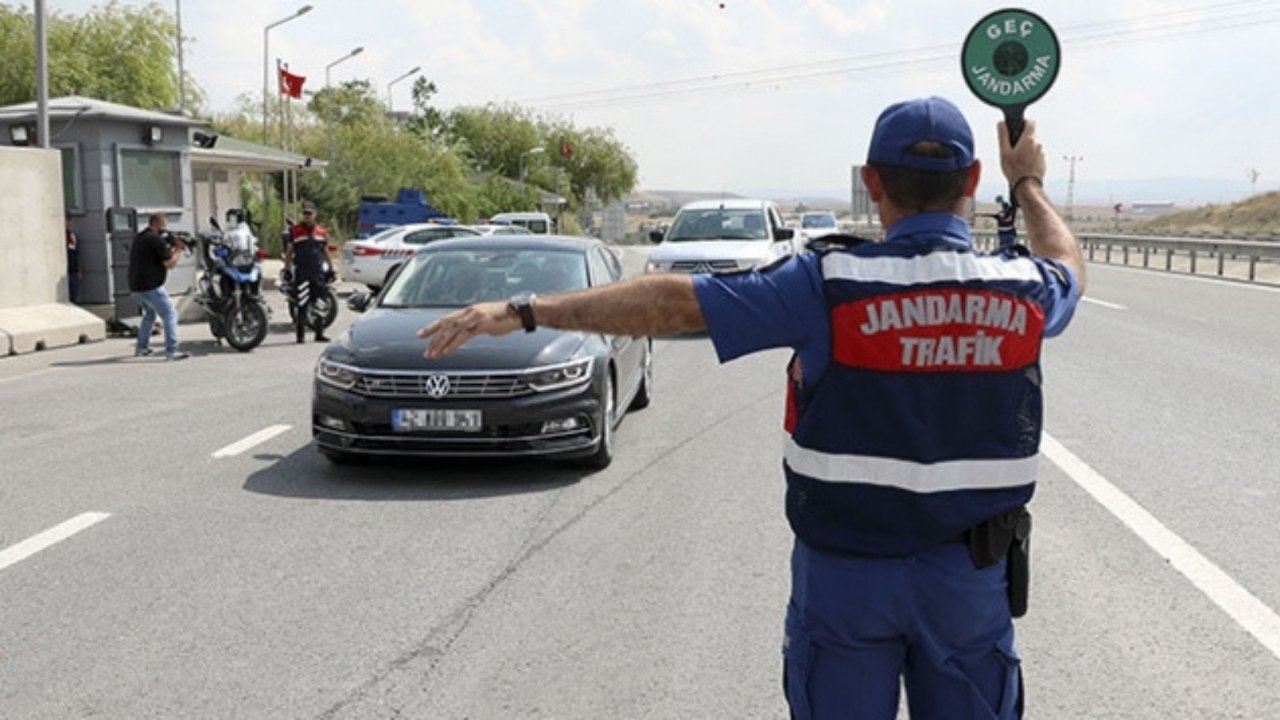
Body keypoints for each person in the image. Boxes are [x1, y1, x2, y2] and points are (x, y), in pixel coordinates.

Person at [418, 96, 1086, 719]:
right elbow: (1069, 266)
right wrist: (1026, 182)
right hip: (969, 584)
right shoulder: (1023, 288)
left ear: (872, 183)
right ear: (971, 181)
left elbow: (672, 302)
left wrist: (525, 309)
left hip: (845, 579)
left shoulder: (827, 283)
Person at [128, 213, 189, 360]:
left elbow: (163, 256)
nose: (165, 230)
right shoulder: (156, 240)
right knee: (170, 314)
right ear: (157, 224)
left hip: (135, 286)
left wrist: (173, 248)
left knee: (149, 314)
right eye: (164, 226)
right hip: (151, 285)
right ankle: (172, 350)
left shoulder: (141, 237)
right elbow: (169, 264)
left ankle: (141, 348)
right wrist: (179, 249)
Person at [284, 201, 335, 343]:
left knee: (320, 304)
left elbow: (325, 251)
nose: (307, 216)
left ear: (315, 214)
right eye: (305, 213)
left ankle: (319, 333)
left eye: (309, 213)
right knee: (302, 304)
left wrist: (331, 269)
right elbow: (289, 251)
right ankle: (300, 336)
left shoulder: (322, 232)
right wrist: (287, 269)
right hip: (302, 272)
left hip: (318, 273)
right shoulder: (295, 231)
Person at [65, 213, 80, 303]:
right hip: (64, 271)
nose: (68, 222)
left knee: (73, 295)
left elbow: (76, 253)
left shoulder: (72, 236)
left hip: (73, 271)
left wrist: (78, 269)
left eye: (69, 220)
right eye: (67, 220)